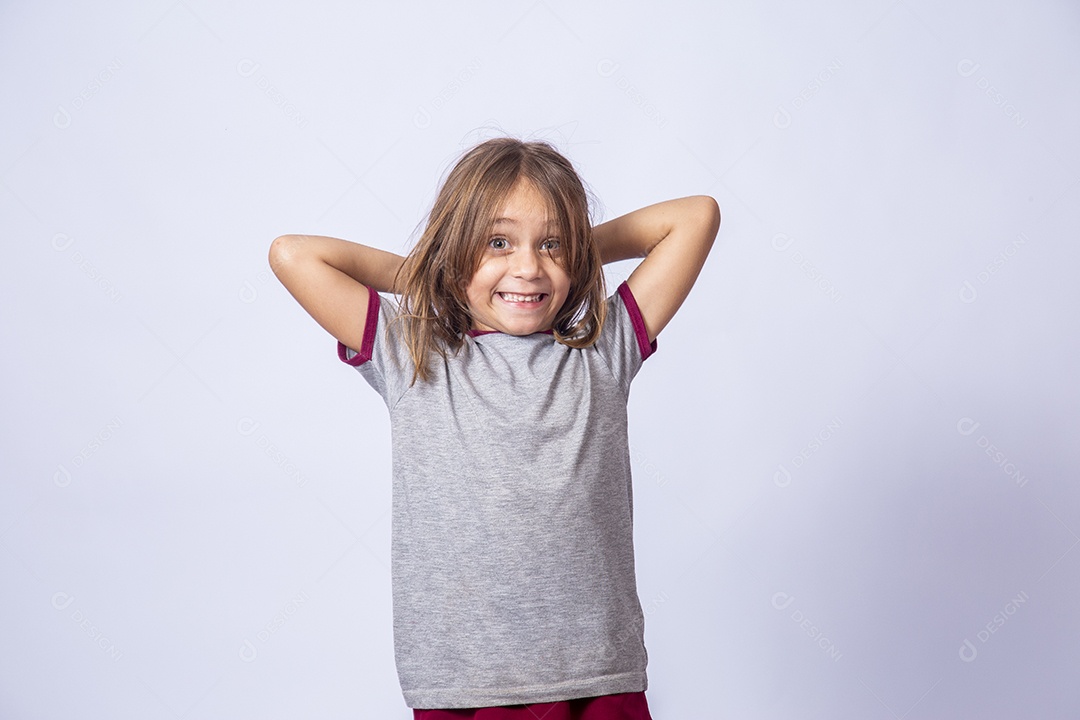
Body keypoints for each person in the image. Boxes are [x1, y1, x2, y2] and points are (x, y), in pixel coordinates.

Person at [268, 136, 720, 719]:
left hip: (596, 676)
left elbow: (695, 215)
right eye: (498, 243)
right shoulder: (413, 355)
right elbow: (293, 254)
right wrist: (437, 269)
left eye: (551, 245)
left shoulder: (603, 351)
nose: (529, 267)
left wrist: (578, 254)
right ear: (457, 252)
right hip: (462, 687)